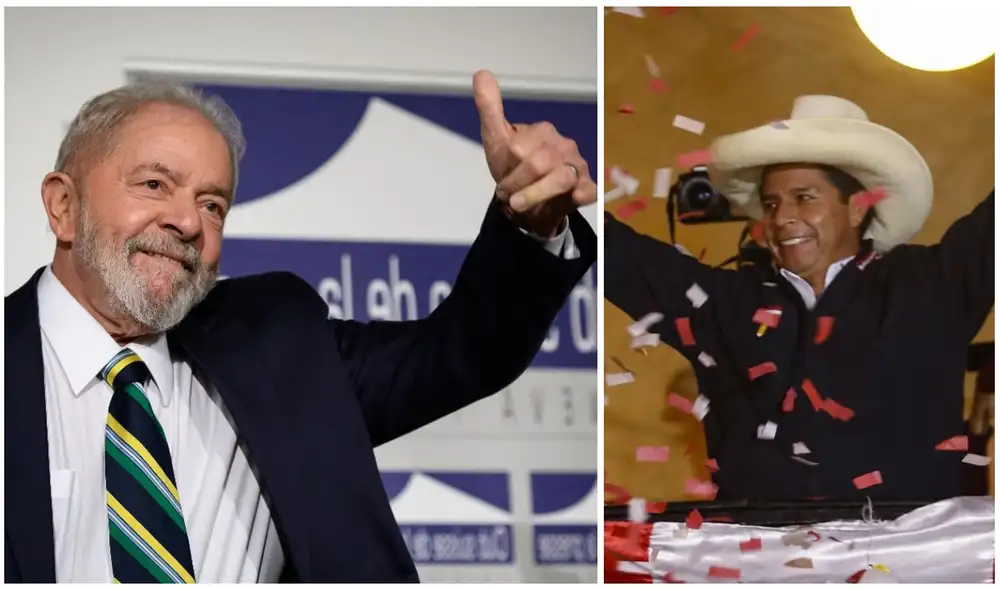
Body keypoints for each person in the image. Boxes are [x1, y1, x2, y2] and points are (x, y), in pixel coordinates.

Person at [5, 70, 598, 583]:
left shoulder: (279, 340)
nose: (188, 221)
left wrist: (532, 223)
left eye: (213, 204)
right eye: (155, 184)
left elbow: (462, 351)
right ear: (63, 206)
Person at [606, 95, 993, 502]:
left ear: (858, 208)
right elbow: (618, 256)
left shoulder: (932, 285)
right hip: (760, 560)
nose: (781, 217)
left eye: (804, 198)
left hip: (911, 560)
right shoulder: (724, 304)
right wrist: (561, 200)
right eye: (771, 204)